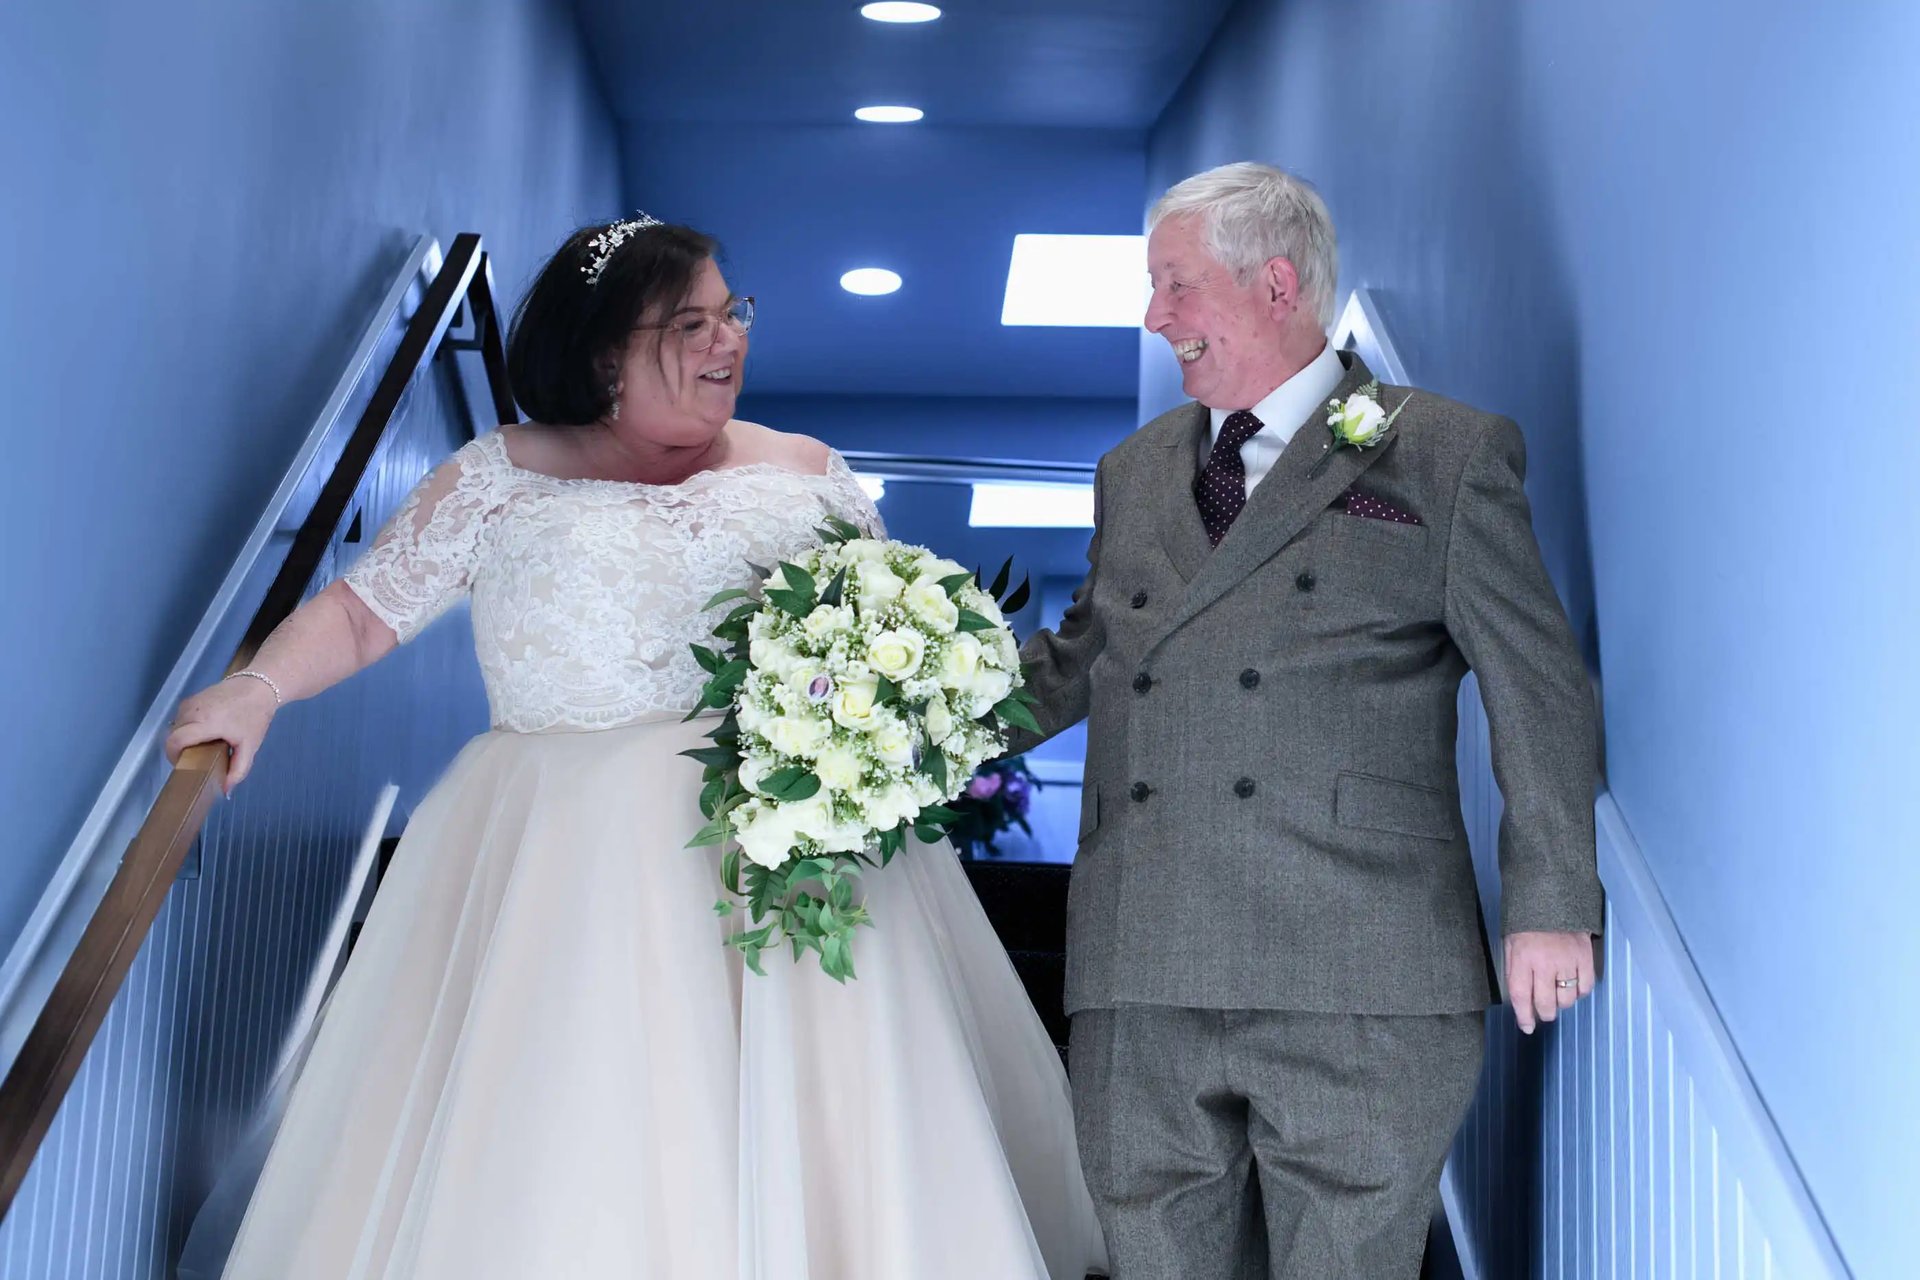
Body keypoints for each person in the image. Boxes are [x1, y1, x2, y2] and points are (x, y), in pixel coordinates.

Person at [166, 215, 1106, 1280]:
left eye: (732, 313)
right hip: (560, 865)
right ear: (605, 353)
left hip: (789, 870)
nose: (728, 341)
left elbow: (883, 643)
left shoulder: (808, 472)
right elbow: (363, 611)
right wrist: (256, 689)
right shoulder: (498, 476)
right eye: (691, 322)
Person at [1012, 162, 1604, 1278]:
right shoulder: (1134, 471)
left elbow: (1538, 682)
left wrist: (1553, 899)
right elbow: (1076, 660)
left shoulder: (1443, 450)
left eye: (1175, 285)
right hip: (1144, 959)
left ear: (1275, 283)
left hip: (1363, 963)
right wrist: (884, 733)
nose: (1155, 317)